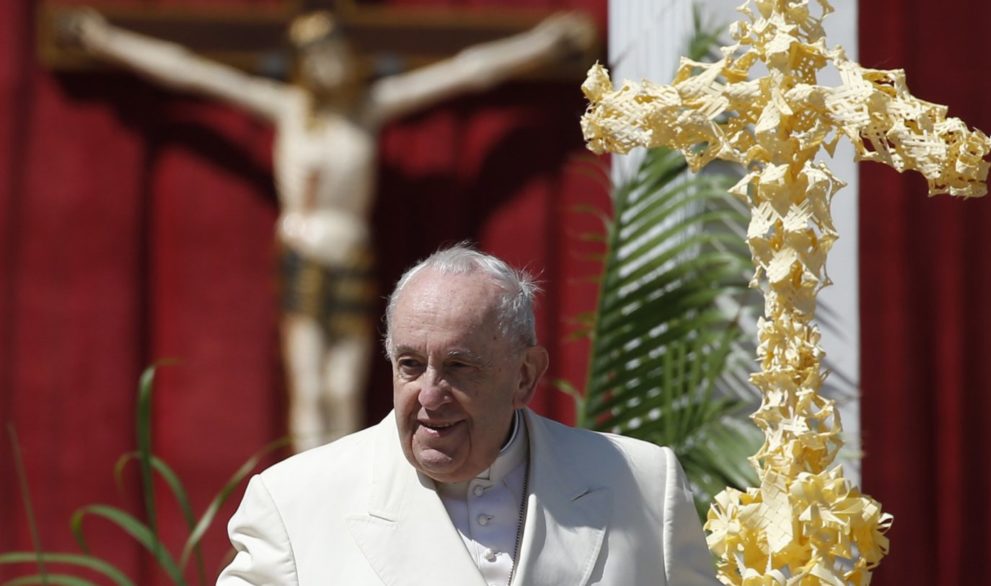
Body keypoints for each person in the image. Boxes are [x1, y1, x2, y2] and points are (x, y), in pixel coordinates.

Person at [62, 9, 593, 452]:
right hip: (303, 252)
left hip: (350, 254)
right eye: (317, 58)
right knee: (309, 385)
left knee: (344, 387)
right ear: (302, 67)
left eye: (336, 54)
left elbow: (465, 71)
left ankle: (343, 491)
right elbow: (191, 74)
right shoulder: (289, 110)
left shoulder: (368, 109)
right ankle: (310, 498)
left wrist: (538, 45)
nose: (329, 66)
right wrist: (108, 40)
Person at [217, 244, 718, 585]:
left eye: (459, 367)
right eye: (410, 365)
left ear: (525, 375)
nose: (430, 395)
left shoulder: (645, 484)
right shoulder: (294, 503)